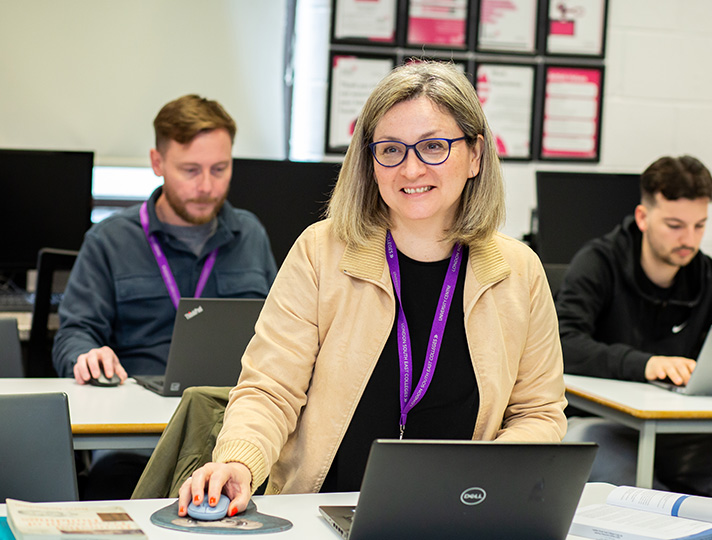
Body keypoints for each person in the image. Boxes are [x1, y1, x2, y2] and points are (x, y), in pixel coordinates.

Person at [176, 61, 567, 518]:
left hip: (460, 514)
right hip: (323, 512)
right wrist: (238, 461)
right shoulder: (321, 252)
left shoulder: (519, 271)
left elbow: (538, 413)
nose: (411, 168)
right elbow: (270, 388)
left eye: (434, 146)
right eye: (391, 150)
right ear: (370, 161)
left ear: (476, 155)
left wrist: (487, 479)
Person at [53, 94, 278, 383]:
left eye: (219, 169)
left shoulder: (250, 234)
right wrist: (88, 355)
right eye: (190, 170)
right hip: (136, 403)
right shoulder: (110, 240)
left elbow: (280, 331)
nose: (207, 186)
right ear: (157, 163)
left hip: (231, 405)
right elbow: (74, 335)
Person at [557, 155, 712, 495]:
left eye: (699, 225)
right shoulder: (598, 263)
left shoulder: (706, 276)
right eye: (674, 225)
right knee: (637, 486)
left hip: (680, 431)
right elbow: (563, 343)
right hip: (601, 423)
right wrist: (647, 365)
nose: (689, 238)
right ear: (643, 217)